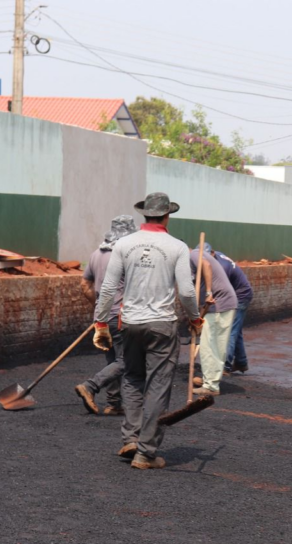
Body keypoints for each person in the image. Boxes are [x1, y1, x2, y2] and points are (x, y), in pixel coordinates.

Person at [94, 192, 202, 470]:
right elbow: (187, 291)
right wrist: (195, 318)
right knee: (157, 384)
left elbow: (108, 288)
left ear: (145, 214)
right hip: (162, 325)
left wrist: (101, 322)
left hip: (129, 323)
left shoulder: (123, 244)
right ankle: (146, 452)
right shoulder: (177, 246)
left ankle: (130, 438)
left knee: (131, 378)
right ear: (167, 216)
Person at [75, 215, 137, 416]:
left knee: (113, 361)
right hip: (120, 316)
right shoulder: (126, 256)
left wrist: (98, 307)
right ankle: (90, 386)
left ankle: (114, 404)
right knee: (126, 360)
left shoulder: (95, 255)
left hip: (102, 318)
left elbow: (85, 284)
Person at [190, 244, 237, 397]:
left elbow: (206, 265)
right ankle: (209, 380)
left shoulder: (193, 255)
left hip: (218, 304)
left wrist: (209, 293)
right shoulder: (197, 255)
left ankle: (210, 386)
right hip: (222, 303)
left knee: (209, 345)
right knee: (214, 344)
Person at [209, 246, 253, 374]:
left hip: (240, 297)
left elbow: (220, 292)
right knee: (235, 329)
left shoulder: (221, 267)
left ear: (212, 254)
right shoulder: (216, 256)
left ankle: (225, 366)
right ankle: (241, 362)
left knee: (229, 330)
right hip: (239, 293)